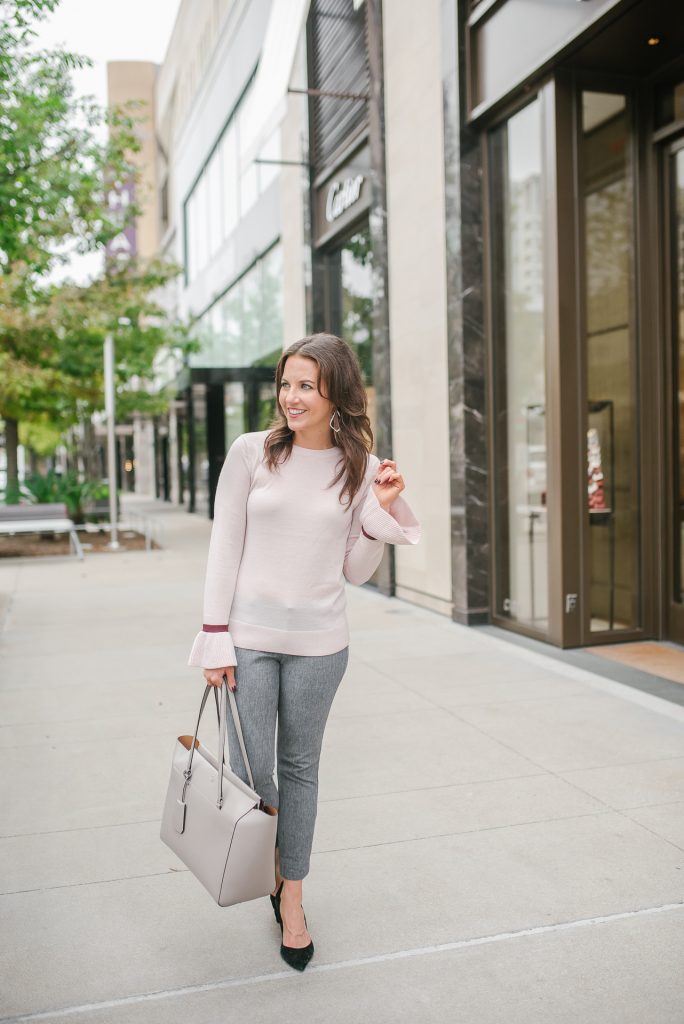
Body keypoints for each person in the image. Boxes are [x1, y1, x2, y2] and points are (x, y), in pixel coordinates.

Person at [188, 332, 420, 971]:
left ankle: (292, 894)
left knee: (299, 770)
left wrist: (381, 509)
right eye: (286, 383)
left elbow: (359, 570)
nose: (291, 397)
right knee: (252, 773)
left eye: (306, 386)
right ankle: (269, 871)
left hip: (321, 644)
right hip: (248, 639)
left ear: (335, 394)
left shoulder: (363, 467)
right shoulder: (251, 453)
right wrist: (214, 636)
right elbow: (223, 547)